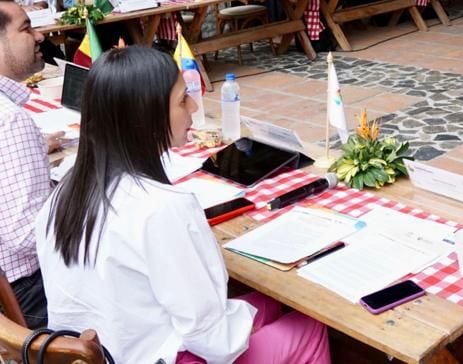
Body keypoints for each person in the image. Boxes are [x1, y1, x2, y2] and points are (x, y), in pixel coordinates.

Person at [35, 46, 330, 363]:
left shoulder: (61, 195)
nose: (193, 106)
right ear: (146, 117)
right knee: (310, 326)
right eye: (182, 99)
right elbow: (211, 339)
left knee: (267, 305)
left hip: (109, 347)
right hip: (159, 354)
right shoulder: (160, 208)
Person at [0, 0, 51, 328]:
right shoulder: (10, 120)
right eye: (26, 28)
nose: (40, 36)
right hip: (31, 292)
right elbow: (28, 236)